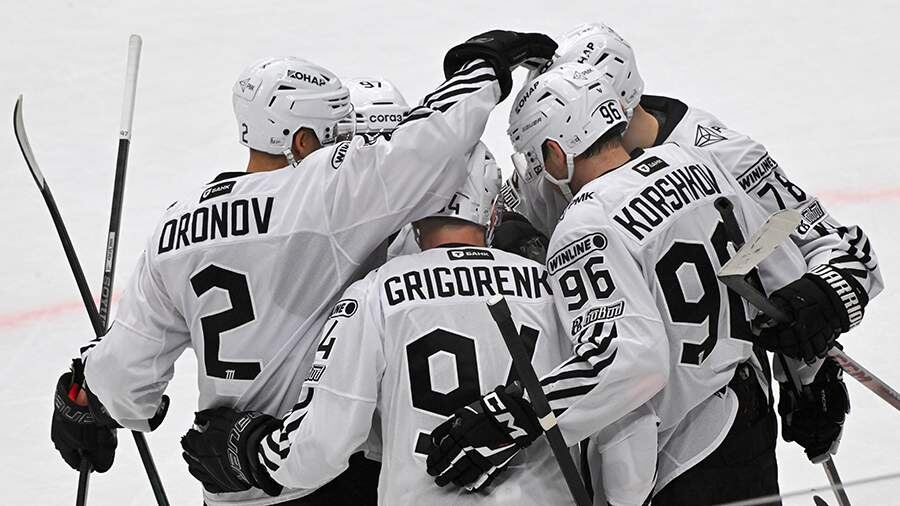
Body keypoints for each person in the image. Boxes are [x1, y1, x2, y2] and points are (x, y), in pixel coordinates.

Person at [50, 30, 557, 506]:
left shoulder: (173, 228)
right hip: (319, 471)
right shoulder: (322, 198)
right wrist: (483, 65)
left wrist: (87, 395)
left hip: (225, 482)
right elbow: (433, 139)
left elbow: (123, 382)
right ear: (301, 142)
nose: (348, 146)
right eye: (336, 133)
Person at [427, 61, 857, 505]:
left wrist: (513, 416)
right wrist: (809, 381)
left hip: (687, 447)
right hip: (749, 412)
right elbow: (786, 285)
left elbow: (628, 360)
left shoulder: (585, 224)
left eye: (534, 158)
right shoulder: (697, 163)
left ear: (556, 153)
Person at [180, 141, 658, 505]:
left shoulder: (374, 294)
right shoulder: (551, 282)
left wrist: (248, 451)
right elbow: (624, 424)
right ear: (493, 206)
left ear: (413, 211)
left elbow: (323, 443)